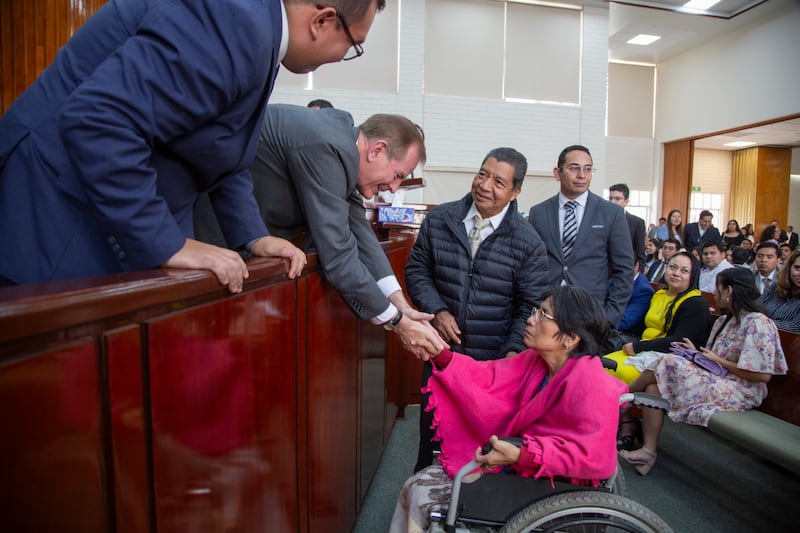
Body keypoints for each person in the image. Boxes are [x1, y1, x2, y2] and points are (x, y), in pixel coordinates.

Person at [0, 0, 387, 290]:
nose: (344, 57)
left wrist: (253, 235)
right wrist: (165, 243)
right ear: (323, 20)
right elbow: (101, 121)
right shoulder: (238, 21)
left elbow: (220, 150)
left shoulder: (262, 28)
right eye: (353, 45)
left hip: (97, 214)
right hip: (55, 215)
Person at [201, 103, 445, 357]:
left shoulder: (344, 151)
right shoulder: (327, 146)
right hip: (214, 238)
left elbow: (361, 235)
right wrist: (397, 323)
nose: (395, 189)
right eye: (397, 175)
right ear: (377, 150)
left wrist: (400, 304)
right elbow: (338, 254)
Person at [389, 285, 628, 533]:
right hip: (522, 466)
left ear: (570, 338)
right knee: (416, 486)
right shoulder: (536, 360)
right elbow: (486, 378)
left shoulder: (590, 384)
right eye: (536, 311)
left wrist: (520, 455)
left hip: (550, 484)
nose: (531, 319)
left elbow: (595, 458)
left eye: (543, 315)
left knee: (420, 491)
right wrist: (441, 356)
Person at [405, 147, 550, 471]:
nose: (485, 185)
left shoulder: (528, 242)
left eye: (499, 182)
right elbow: (417, 271)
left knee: (482, 446)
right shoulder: (441, 219)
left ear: (515, 192)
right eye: (483, 174)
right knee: (433, 435)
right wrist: (438, 310)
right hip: (442, 352)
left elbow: (531, 302)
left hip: (493, 362)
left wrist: (513, 351)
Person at [619, 267, 787, 476]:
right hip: (717, 380)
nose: (714, 295)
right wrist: (694, 354)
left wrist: (718, 361)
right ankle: (648, 451)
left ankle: (621, 401)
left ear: (729, 291)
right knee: (654, 386)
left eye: (718, 290)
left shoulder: (758, 323)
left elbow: (762, 375)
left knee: (668, 362)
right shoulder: (724, 321)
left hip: (742, 390)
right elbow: (713, 361)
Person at [528, 145, 634, 327]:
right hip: (546, 313)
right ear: (557, 172)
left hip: (590, 315)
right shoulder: (539, 212)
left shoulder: (611, 213)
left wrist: (609, 317)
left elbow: (624, 270)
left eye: (588, 169)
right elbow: (530, 265)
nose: (582, 175)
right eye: (574, 168)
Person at [605, 252, 712, 387]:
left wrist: (637, 347)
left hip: (666, 357)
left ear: (693, 276)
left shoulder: (695, 303)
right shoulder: (659, 294)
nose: (676, 273)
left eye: (684, 271)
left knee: (615, 371)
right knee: (601, 363)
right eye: (672, 267)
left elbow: (679, 342)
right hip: (642, 348)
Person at [759, 249, 800, 332]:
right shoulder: (776, 286)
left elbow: (795, 327)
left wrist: (759, 322)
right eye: (797, 268)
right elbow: (756, 307)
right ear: (789, 268)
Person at [608, 184, 646, 271]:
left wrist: (636, 276)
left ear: (626, 201)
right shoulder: (601, 220)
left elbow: (640, 254)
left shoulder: (637, 223)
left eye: (617, 199)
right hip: (603, 274)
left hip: (625, 272)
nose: (612, 202)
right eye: (610, 198)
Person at [618, 260, 655, 337]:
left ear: (636, 266)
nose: (622, 269)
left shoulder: (644, 290)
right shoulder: (616, 279)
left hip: (627, 336)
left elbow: (626, 322)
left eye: (626, 266)